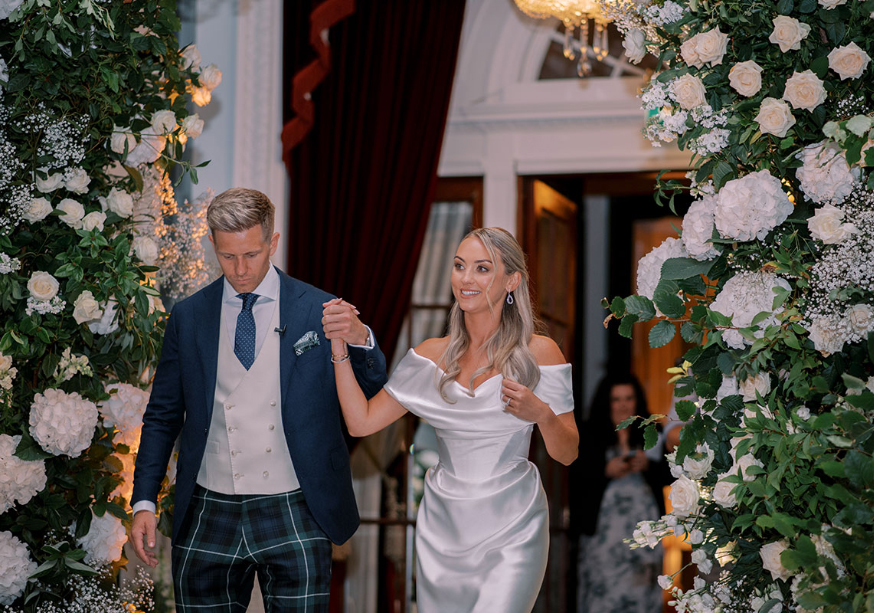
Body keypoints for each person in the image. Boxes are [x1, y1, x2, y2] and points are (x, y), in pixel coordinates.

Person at [129, 188, 387, 611]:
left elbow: (375, 393)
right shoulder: (189, 316)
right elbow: (162, 416)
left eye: (251, 254)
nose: (241, 269)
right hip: (207, 508)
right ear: (212, 243)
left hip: (296, 507)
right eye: (228, 256)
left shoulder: (318, 308)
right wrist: (143, 500)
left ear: (273, 241)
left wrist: (363, 340)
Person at [324, 227, 579, 612]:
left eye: (481, 268)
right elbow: (360, 423)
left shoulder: (539, 353)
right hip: (442, 531)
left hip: (513, 526)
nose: (466, 279)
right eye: (459, 266)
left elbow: (568, 453)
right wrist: (340, 347)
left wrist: (540, 414)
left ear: (512, 280)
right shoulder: (430, 357)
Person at [571, 374, 666, 613]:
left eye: (629, 398)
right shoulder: (589, 432)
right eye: (616, 399)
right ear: (606, 402)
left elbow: (671, 473)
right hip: (603, 535)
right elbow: (574, 475)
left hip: (645, 532)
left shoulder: (652, 430)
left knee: (643, 590)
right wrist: (605, 470)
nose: (623, 405)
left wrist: (648, 466)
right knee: (602, 592)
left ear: (637, 401)